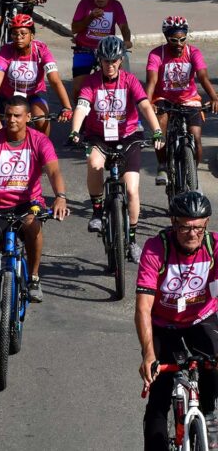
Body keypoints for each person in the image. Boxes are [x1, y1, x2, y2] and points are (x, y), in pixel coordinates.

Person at [0, 96, 68, 343]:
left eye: (17, 115)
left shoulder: (39, 141)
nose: (11, 120)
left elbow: (53, 171)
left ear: (28, 118)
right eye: (8, 115)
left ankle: (34, 277)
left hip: (28, 205)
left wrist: (60, 196)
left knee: (33, 223)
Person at [136, 191, 218, 451]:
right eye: (184, 226)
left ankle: (209, 414)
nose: (191, 233)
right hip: (163, 324)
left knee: (212, 371)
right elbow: (143, 307)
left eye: (198, 227)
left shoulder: (214, 246)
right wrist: (148, 355)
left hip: (202, 319)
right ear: (173, 223)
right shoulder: (155, 248)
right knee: (158, 399)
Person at [69, 36, 164, 261]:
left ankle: (131, 239)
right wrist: (75, 130)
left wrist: (157, 130)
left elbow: (144, 106)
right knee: (94, 163)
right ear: (99, 61)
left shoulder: (130, 81)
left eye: (114, 61)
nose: (110, 65)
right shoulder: (91, 82)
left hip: (129, 136)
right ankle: (98, 210)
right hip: (99, 137)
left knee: (131, 190)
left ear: (121, 60)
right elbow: (82, 107)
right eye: (105, 61)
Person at [145, 16, 218, 186]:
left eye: (182, 39)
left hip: (189, 99)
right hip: (164, 98)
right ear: (166, 38)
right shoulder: (157, 54)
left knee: (196, 137)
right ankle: (162, 165)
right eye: (174, 40)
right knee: (161, 124)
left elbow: (203, 77)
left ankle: (192, 170)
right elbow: (152, 81)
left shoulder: (193, 53)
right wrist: (148, 103)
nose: (179, 44)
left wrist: (214, 97)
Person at [0, 13, 72, 136]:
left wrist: (67, 107)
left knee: (41, 120)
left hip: (34, 94)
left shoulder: (41, 50)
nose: (18, 37)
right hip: (9, 95)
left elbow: (54, 80)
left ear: (32, 35)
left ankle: (43, 149)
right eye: (15, 34)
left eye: (23, 33)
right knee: (3, 131)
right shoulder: (6, 50)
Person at [70, 0, 132, 97]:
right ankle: (80, 113)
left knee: (122, 72)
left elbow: (124, 26)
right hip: (84, 48)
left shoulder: (115, 5)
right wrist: (90, 17)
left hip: (107, 50)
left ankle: (127, 92)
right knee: (78, 89)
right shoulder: (85, 3)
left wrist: (127, 40)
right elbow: (74, 29)